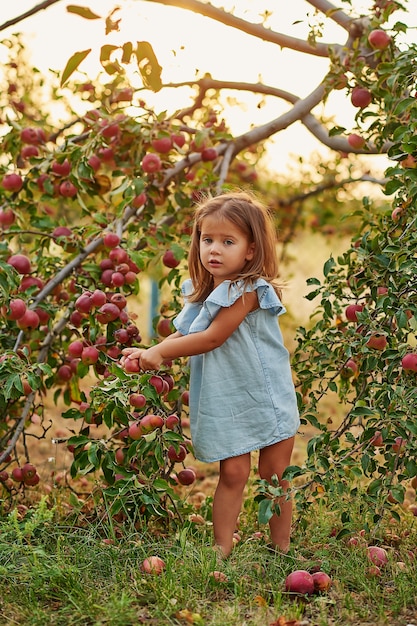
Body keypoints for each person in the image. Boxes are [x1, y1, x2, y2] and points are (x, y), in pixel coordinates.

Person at [123, 190, 300, 558]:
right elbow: (187, 334)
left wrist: (160, 352)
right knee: (233, 474)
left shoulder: (247, 290)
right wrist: (148, 353)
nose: (214, 250)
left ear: (251, 250)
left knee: (275, 475)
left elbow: (212, 337)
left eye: (227, 241)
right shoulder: (206, 292)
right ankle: (221, 549)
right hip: (230, 397)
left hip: (266, 394)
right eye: (207, 240)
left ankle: (281, 549)